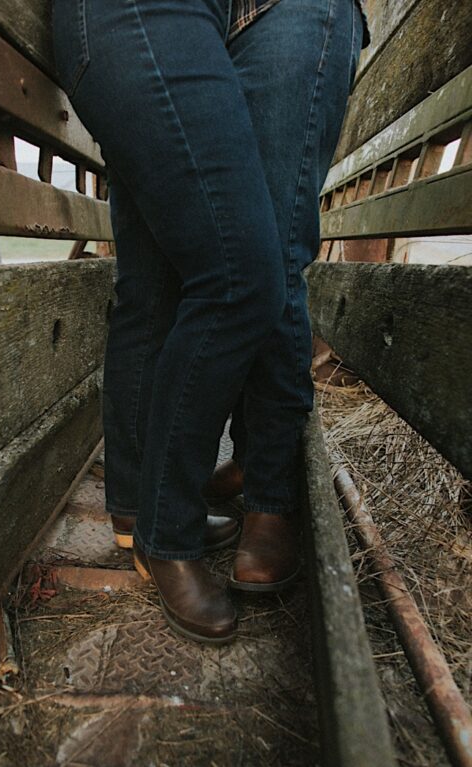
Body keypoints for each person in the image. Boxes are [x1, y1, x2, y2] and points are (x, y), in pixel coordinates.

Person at [52, 0, 366, 642]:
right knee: (239, 275)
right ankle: (167, 533)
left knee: (162, 280)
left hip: (206, 20)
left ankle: (145, 514)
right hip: (157, 18)